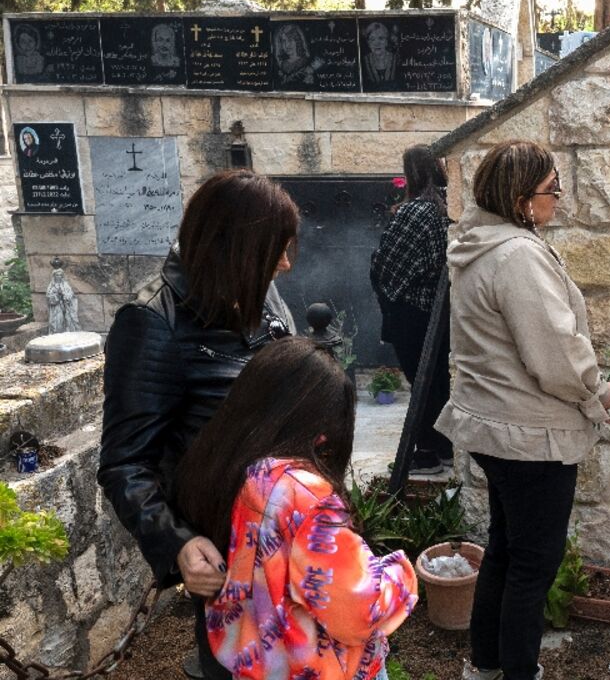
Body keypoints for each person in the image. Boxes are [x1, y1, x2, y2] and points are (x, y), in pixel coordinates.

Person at [98, 170, 299, 680]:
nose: (285, 264)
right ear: (235, 249)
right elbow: (126, 463)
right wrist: (178, 542)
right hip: (225, 546)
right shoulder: (151, 322)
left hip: (288, 529)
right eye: (274, 250)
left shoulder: (257, 289)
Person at [435, 140, 610, 680]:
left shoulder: (481, 246)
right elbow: (555, 355)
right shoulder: (517, 255)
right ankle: (516, 672)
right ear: (521, 200)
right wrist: (598, 392)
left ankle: (486, 668)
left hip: (497, 429)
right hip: (530, 435)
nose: (558, 198)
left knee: (505, 550)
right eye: (551, 189)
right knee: (532, 565)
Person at [174, 337, 417, 680]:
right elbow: (357, 609)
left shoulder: (225, 468)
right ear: (321, 431)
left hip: (258, 664)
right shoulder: (307, 497)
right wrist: (401, 575)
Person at [370, 145, 454, 476]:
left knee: (421, 381)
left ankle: (427, 454)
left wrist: (377, 269)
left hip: (412, 310)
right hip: (441, 310)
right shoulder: (447, 207)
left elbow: (388, 266)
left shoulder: (415, 212)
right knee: (439, 382)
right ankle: (445, 448)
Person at [363, 22, 396, 88]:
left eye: (381, 38)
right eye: (372, 39)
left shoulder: (396, 59)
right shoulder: (363, 61)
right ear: (368, 43)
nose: (377, 43)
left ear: (386, 41)